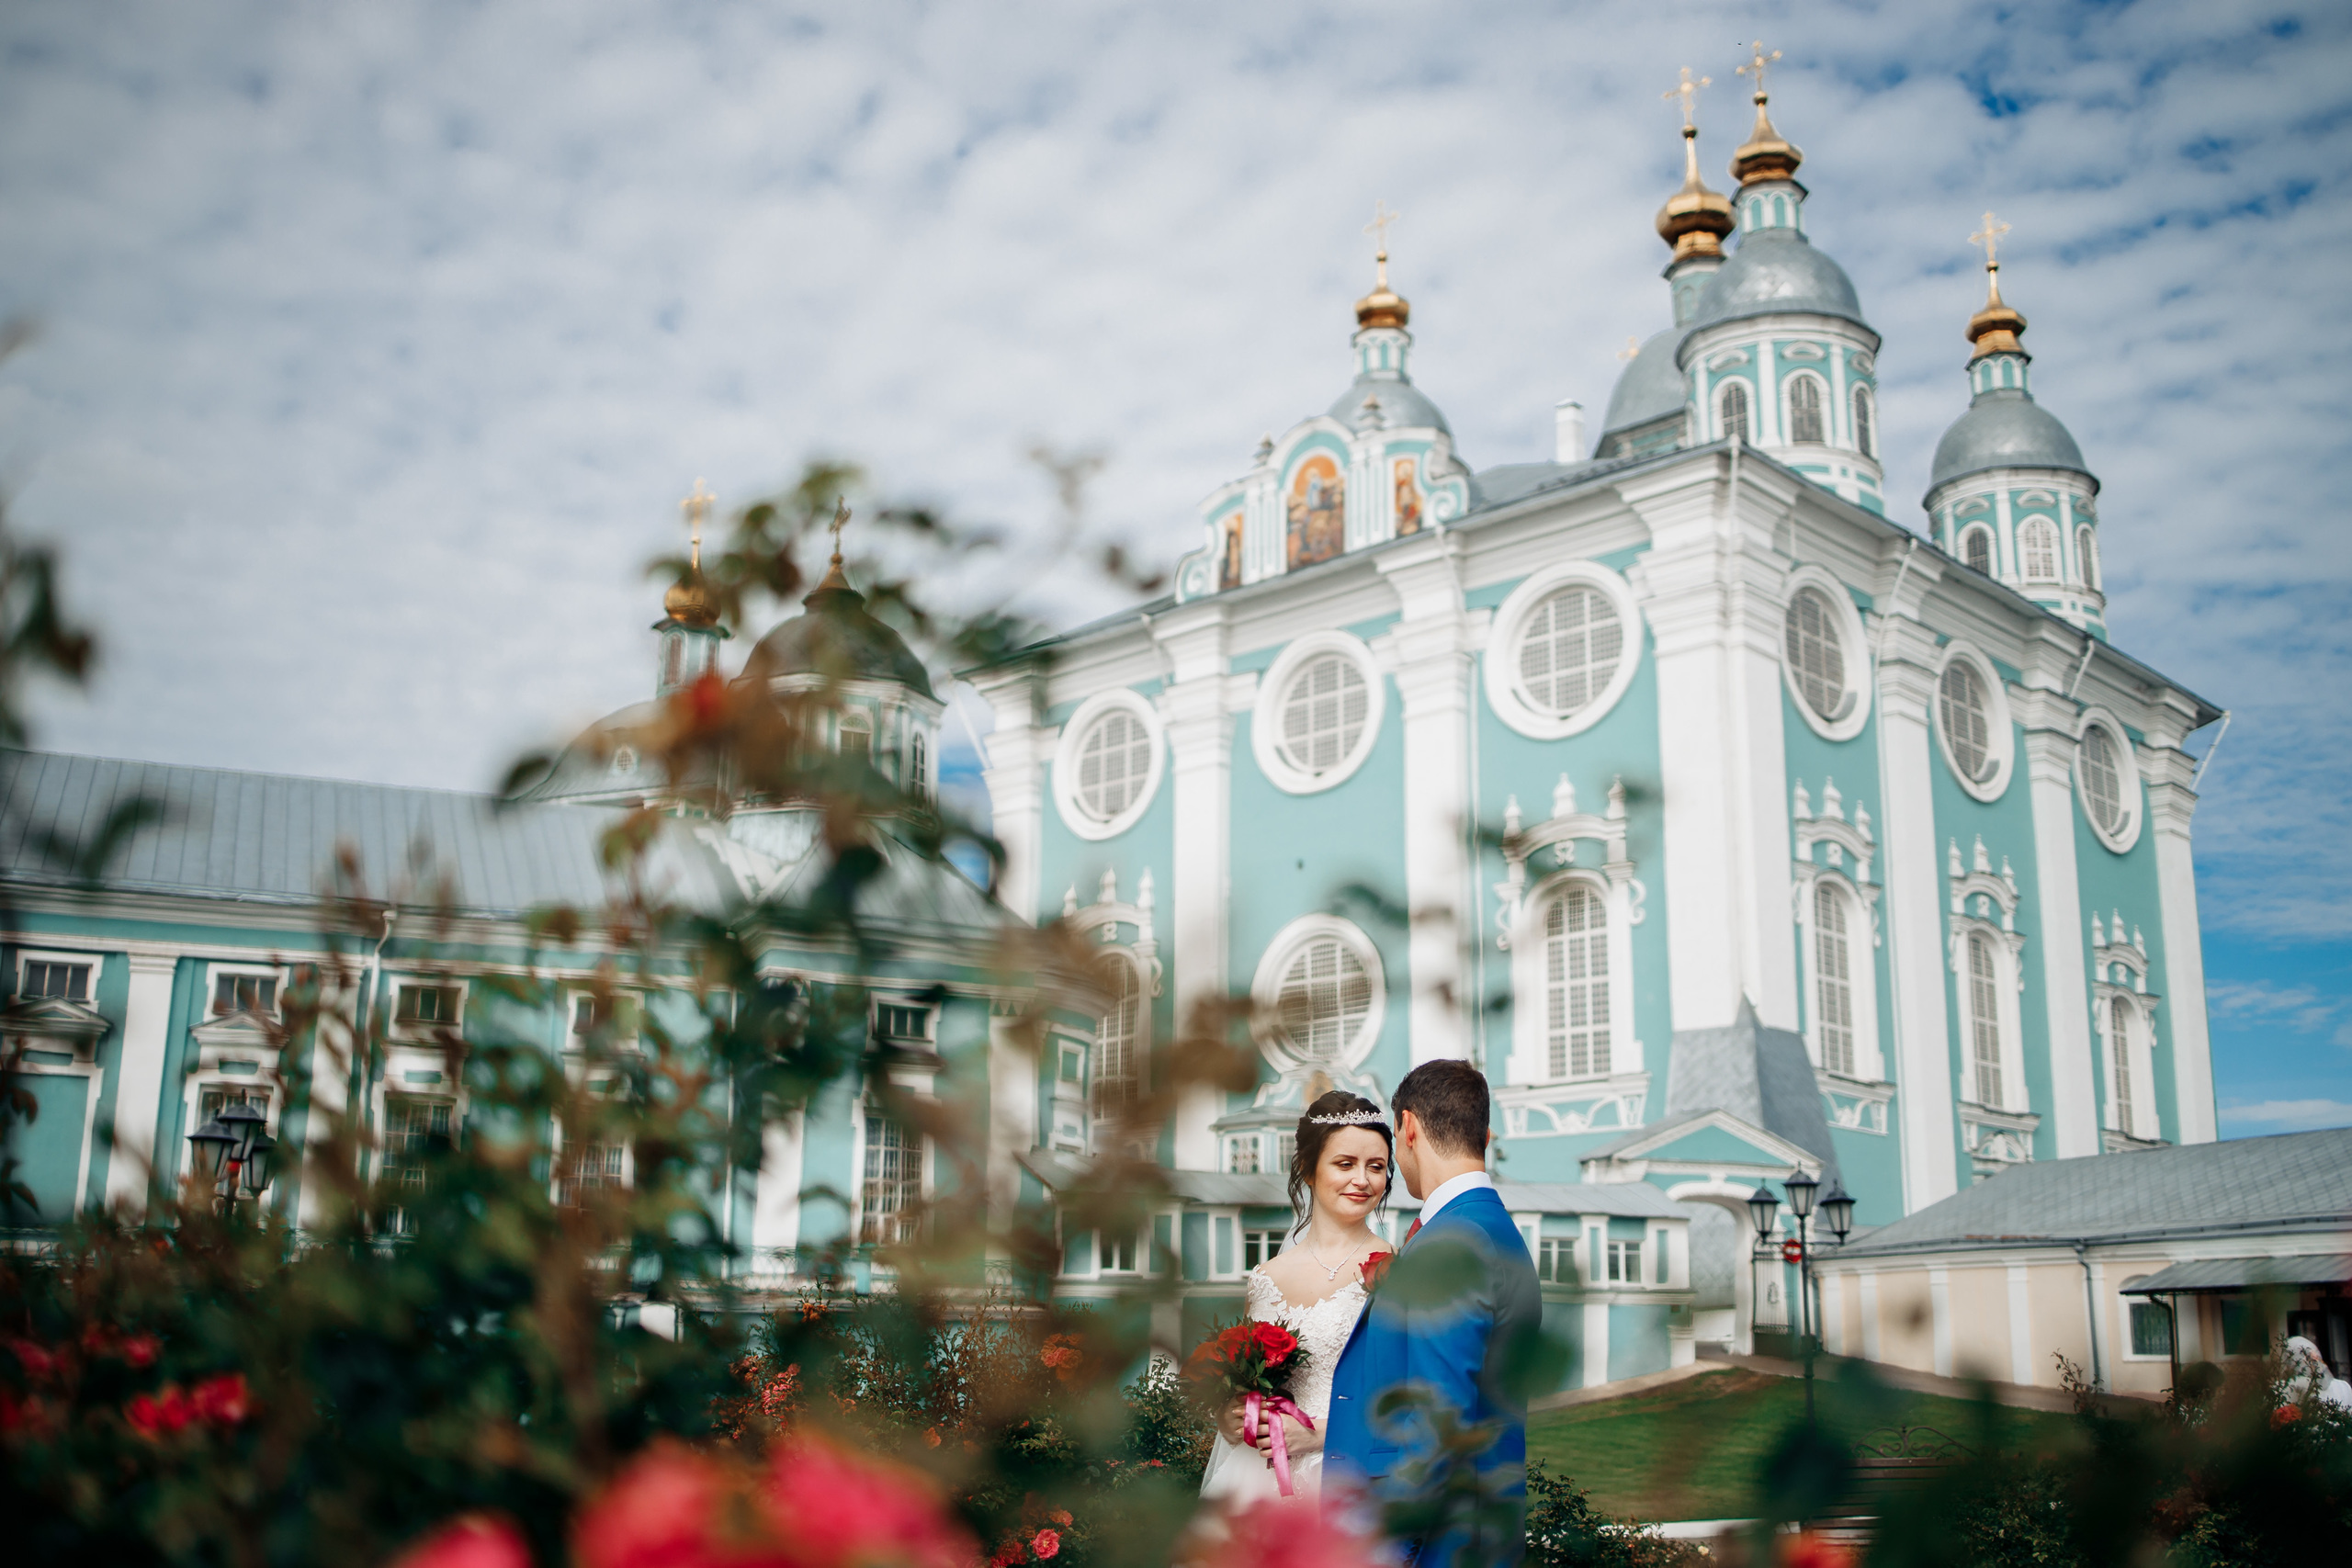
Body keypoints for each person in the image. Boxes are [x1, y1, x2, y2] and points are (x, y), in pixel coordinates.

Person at [1323, 1059, 1542, 1567]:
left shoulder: (1455, 1242)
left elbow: (1437, 1427)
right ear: (1484, 1135)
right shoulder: (1487, 1230)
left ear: (1408, 1128)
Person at [1196, 1089, 1396, 1510]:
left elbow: (1407, 1399)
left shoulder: (1395, 1271)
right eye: (1345, 1163)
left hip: (1348, 1478)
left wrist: (1320, 1432)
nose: (1362, 1179)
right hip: (1257, 1479)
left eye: (1376, 1167)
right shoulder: (1265, 1278)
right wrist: (1231, 1416)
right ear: (1308, 1169)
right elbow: (1247, 1382)